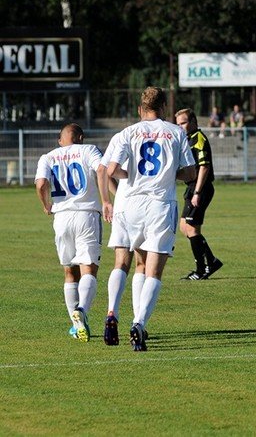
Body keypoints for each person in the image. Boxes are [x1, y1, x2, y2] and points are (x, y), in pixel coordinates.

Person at [107, 86, 196, 351]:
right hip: (160, 205)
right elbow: (190, 172)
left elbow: (111, 170)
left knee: (137, 263)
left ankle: (113, 312)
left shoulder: (129, 132)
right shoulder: (176, 132)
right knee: (154, 270)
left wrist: (131, 176)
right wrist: (170, 175)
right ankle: (139, 323)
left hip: (131, 204)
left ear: (140, 109)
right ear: (164, 108)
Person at [34, 123, 111, 343]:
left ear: (60, 141)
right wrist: (107, 199)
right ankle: (82, 310)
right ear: (81, 137)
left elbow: (41, 184)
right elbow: (102, 170)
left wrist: (46, 205)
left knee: (70, 272)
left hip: (61, 218)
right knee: (89, 270)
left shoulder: (48, 156)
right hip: (86, 214)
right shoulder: (88, 150)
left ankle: (76, 326)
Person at [100, 132, 147, 346]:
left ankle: (112, 313)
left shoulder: (121, 136)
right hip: (144, 205)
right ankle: (138, 323)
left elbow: (103, 170)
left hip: (122, 206)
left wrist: (109, 200)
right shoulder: (160, 135)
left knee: (120, 262)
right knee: (142, 264)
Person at [175, 108, 223, 281]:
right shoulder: (187, 140)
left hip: (200, 188)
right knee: (184, 227)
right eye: (178, 124)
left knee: (191, 228)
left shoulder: (198, 139)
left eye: (184, 122)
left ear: (194, 122)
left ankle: (201, 269)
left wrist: (197, 192)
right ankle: (211, 261)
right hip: (192, 187)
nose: (180, 127)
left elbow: (204, 166)